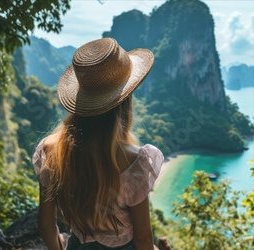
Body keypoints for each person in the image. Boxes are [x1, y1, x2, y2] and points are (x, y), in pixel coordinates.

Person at [32, 38, 168, 250]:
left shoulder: (51, 152)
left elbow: (46, 225)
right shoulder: (134, 163)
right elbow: (142, 239)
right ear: (125, 102)